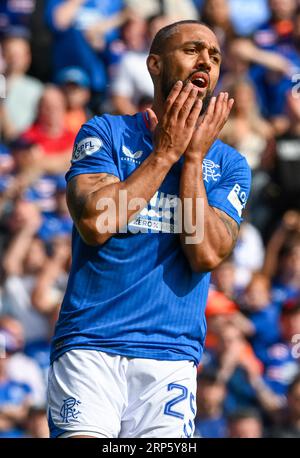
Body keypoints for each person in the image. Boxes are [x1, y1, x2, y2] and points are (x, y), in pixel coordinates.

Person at [47, 19, 251, 438]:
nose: (206, 61)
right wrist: (165, 155)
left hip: (171, 358)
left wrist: (191, 161)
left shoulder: (229, 164)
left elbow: (206, 254)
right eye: (192, 49)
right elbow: (95, 223)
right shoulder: (106, 131)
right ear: (154, 64)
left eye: (214, 56)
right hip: (92, 346)